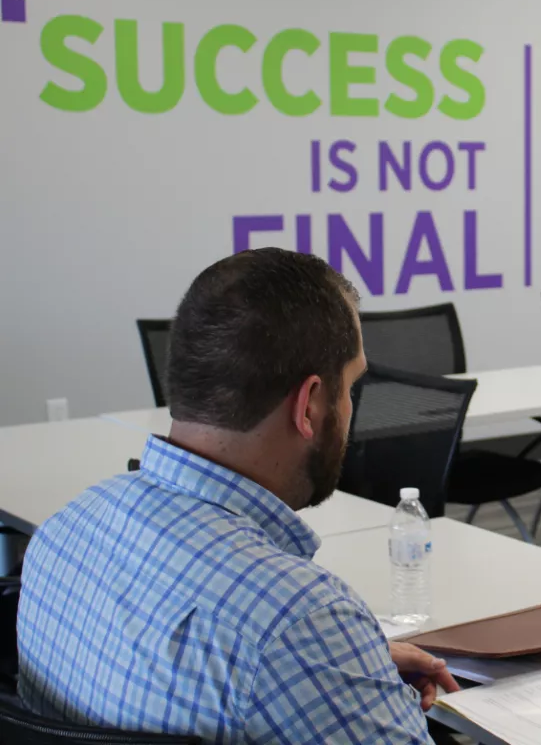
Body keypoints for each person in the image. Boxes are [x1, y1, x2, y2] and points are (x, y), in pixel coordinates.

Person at [17, 248, 458, 743]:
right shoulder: (299, 619)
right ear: (309, 404)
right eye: (351, 385)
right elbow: (275, 641)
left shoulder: (65, 529)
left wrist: (344, 669)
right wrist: (323, 655)